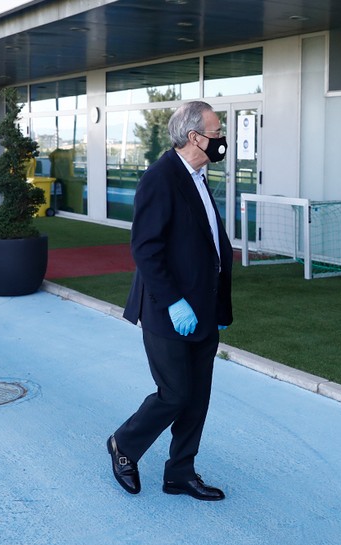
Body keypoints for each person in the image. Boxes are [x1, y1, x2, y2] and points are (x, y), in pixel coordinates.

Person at [108, 101, 233, 501]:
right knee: (175, 394)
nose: (221, 138)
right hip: (169, 311)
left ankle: (180, 472)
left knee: (197, 398)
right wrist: (176, 302)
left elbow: (211, 247)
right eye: (216, 132)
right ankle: (124, 445)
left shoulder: (197, 176)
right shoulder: (161, 178)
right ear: (194, 137)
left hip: (205, 309)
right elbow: (146, 249)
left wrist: (220, 307)